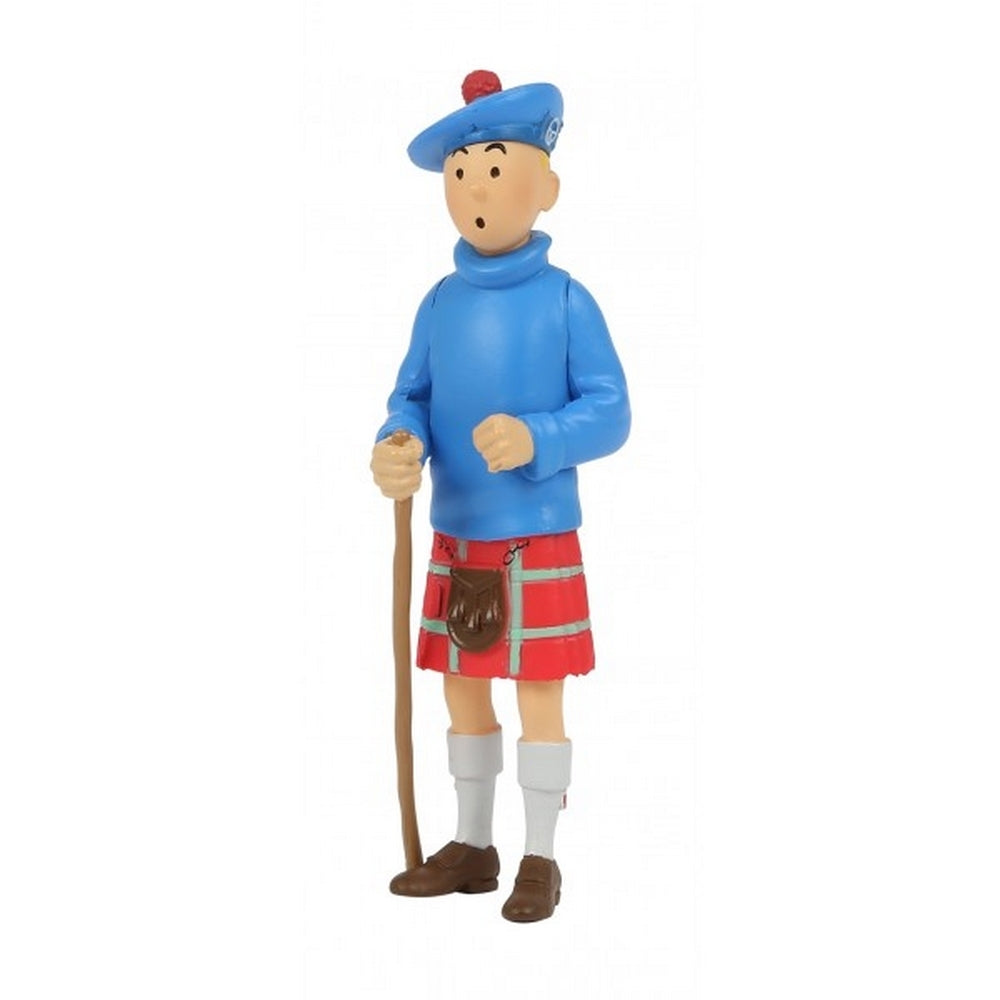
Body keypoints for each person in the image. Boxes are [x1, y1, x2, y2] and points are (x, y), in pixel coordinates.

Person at [371, 70, 630, 922]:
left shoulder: (566, 300)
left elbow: (611, 410)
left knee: (539, 689)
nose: (476, 189)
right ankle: (473, 843)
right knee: (461, 685)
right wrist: (399, 443)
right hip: (458, 531)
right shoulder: (439, 304)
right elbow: (409, 396)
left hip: (535, 530)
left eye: (493, 168)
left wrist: (540, 437)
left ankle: (540, 857)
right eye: (462, 172)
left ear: (545, 188)